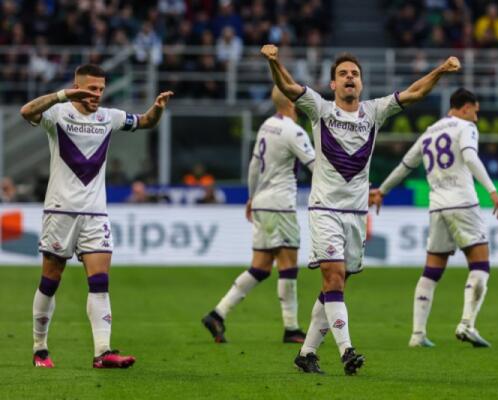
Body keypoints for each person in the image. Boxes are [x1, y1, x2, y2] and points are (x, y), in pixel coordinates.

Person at [260, 43, 460, 375]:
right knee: (333, 277)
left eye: (354, 73)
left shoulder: (374, 111)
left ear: (361, 83)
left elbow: (415, 93)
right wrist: (274, 62)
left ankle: (306, 354)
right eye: (343, 74)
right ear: (333, 84)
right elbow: (289, 87)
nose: (349, 77)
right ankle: (347, 351)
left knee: (335, 285)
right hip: (325, 209)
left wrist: (440, 70)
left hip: (355, 214)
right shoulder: (320, 109)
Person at [20, 64, 173, 368]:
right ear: (77, 87)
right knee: (50, 280)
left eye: (101, 89)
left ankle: (102, 353)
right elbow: (27, 112)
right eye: (91, 89)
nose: (97, 94)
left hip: (95, 213)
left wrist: (156, 109)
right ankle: (40, 348)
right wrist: (63, 95)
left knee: (100, 281)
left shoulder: (108, 117)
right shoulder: (58, 114)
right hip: (60, 211)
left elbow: (145, 122)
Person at [370, 88, 498, 349]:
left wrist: (382, 191)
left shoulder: (430, 131)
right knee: (480, 265)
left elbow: (405, 165)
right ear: (465, 108)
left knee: (432, 270)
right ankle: (467, 324)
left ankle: (417, 334)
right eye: (475, 112)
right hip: (463, 203)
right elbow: (470, 156)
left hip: (437, 207)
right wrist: (493, 191)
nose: (476, 118)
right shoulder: (465, 127)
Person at [202, 86, 315, 344]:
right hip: (280, 204)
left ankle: (217, 314)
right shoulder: (294, 131)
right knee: (288, 266)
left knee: (261, 267)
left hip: (262, 202)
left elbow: (254, 166)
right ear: (293, 101)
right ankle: (291, 328)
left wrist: (251, 198)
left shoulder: (267, 126)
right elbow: (316, 165)